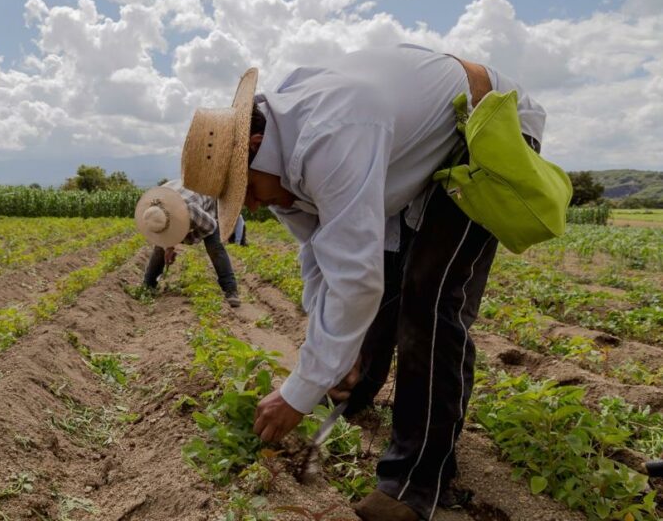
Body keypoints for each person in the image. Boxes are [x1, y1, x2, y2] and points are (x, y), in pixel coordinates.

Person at [179, 44, 547, 521]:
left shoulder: (331, 135)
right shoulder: (281, 160)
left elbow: (355, 279)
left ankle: (413, 487)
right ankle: (354, 389)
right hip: (413, 153)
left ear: (251, 148)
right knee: (388, 286)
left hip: (485, 128)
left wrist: (299, 390)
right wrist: (326, 363)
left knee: (429, 300)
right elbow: (319, 259)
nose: (248, 208)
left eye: (242, 191)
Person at [135, 180, 241, 308]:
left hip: (207, 200)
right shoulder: (154, 207)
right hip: (179, 197)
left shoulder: (191, 211)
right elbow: (164, 234)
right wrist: (168, 246)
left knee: (215, 247)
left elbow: (210, 227)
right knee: (159, 249)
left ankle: (231, 289)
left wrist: (180, 239)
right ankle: (148, 286)